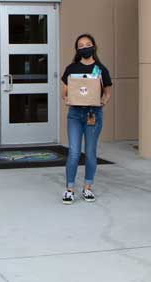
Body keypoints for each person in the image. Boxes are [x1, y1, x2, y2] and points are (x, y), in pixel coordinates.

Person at [60, 34, 113, 204]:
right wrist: (67, 98)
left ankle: (87, 187)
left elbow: (107, 92)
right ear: (77, 50)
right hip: (75, 114)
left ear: (94, 47)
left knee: (90, 152)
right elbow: (64, 92)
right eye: (81, 46)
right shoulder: (71, 68)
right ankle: (69, 189)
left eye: (87, 44)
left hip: (93, 114)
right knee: (74, 151)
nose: (84, 48)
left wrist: (101, 102)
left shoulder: (101, 69)